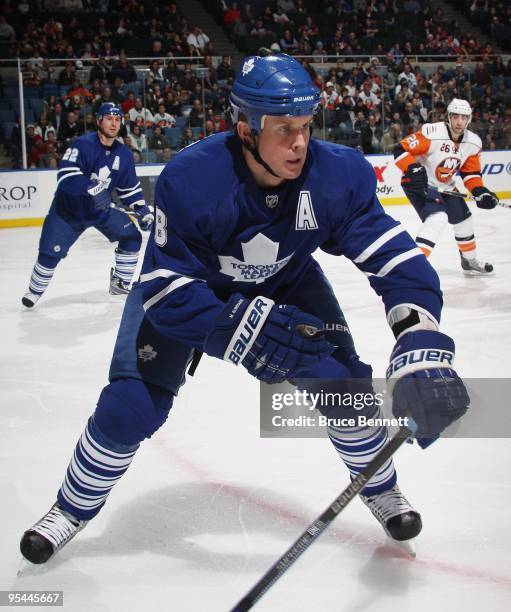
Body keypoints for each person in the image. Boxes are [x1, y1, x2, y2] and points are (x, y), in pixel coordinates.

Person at [20, 55, 469, 564]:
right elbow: (166, 287)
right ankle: (70, 509)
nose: (299, 143)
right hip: (191, 292)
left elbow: (396, 259)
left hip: (287, 281)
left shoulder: (338, 174)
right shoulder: (191, 178)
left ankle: (380, 487)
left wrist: (419, 338)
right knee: (130, 407)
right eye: (283, 130)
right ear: (245, 129)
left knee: (346, 389)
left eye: (304, 126)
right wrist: (233, 330)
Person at [21, 103, 154, 309]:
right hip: (68, 211)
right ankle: (34, 291)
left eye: (117, 119)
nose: (114, 123)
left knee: (131, 236)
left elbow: (130, 189)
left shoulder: (124, 155)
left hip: (100, 211)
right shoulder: (81, 145)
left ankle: (120, 284)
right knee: (49, 253)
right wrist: (92, 188)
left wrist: (142, 210)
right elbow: (65, 175)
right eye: (109, 118)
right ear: (99, 121)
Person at [394, 98, 499, 275]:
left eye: (464, 117)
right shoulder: (432, 132)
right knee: (438, 217)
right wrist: (412, 168)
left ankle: (469, 260)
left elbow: (470, 173)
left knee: (464, 220)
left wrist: (480, 191)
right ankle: (414, 266)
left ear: (469, 119)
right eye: (455, 116)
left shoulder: (473, 143)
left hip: (446, 186)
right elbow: (400, 149)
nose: (459, 121)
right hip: (420, 183)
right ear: (449, 117)